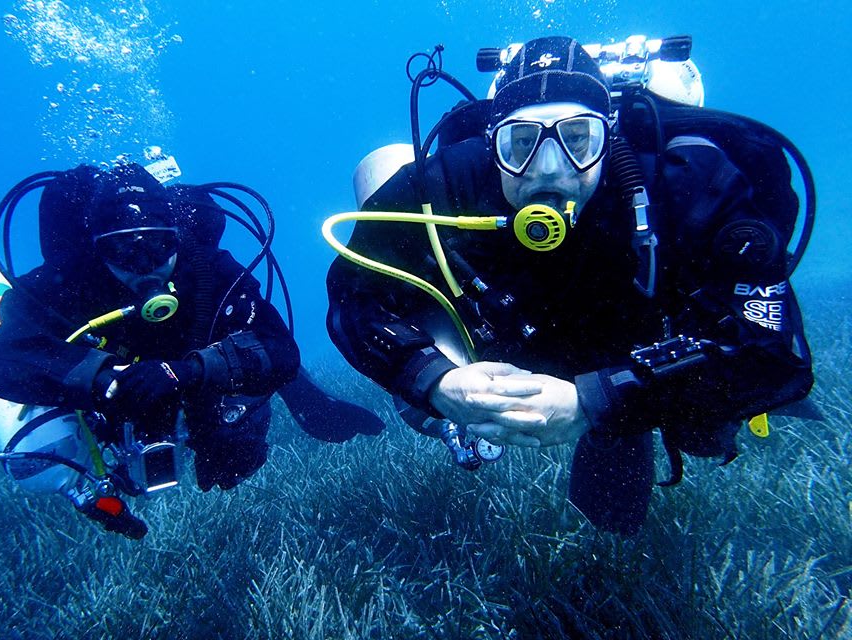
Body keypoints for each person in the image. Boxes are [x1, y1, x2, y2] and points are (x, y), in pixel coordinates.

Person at [325, 36, 814, 534]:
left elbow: (772, 353)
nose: (550, 169)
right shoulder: (448, 181)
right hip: (506, 336)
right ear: (490, 144)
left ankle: (624, 421)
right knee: (385, 181)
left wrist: (597, 400)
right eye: (520, 142)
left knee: (703, 432)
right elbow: (352, 297)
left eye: (579, 139)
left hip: (639, 352)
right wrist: (432, 378)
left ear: (611, 137)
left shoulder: (685, 184)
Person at [0, 162, 383, 538]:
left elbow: (277, 348)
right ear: (95, 249)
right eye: (122, 251)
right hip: (109, 387)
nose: (145, 266)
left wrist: (189, 372)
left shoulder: (209, 270)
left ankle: (290, 406)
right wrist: (108, 380)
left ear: (177, 235)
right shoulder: (65, 282)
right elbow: (3, 361)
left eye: (159, 246)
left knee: (237, 453)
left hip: (193, 367)